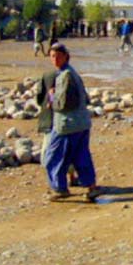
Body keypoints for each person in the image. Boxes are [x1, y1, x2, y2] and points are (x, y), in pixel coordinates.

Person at [44, 43, 100, 202]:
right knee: (81, 157)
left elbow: (63, 104)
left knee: (53, 157)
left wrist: (51, 98)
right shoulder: (71, 73)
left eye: (58, 56)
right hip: (82, 123)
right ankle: (91, 187)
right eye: (52, 56)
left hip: (67, 125)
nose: (55, 59)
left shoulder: (65, 76)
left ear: (66, 56)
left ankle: (60, 188)